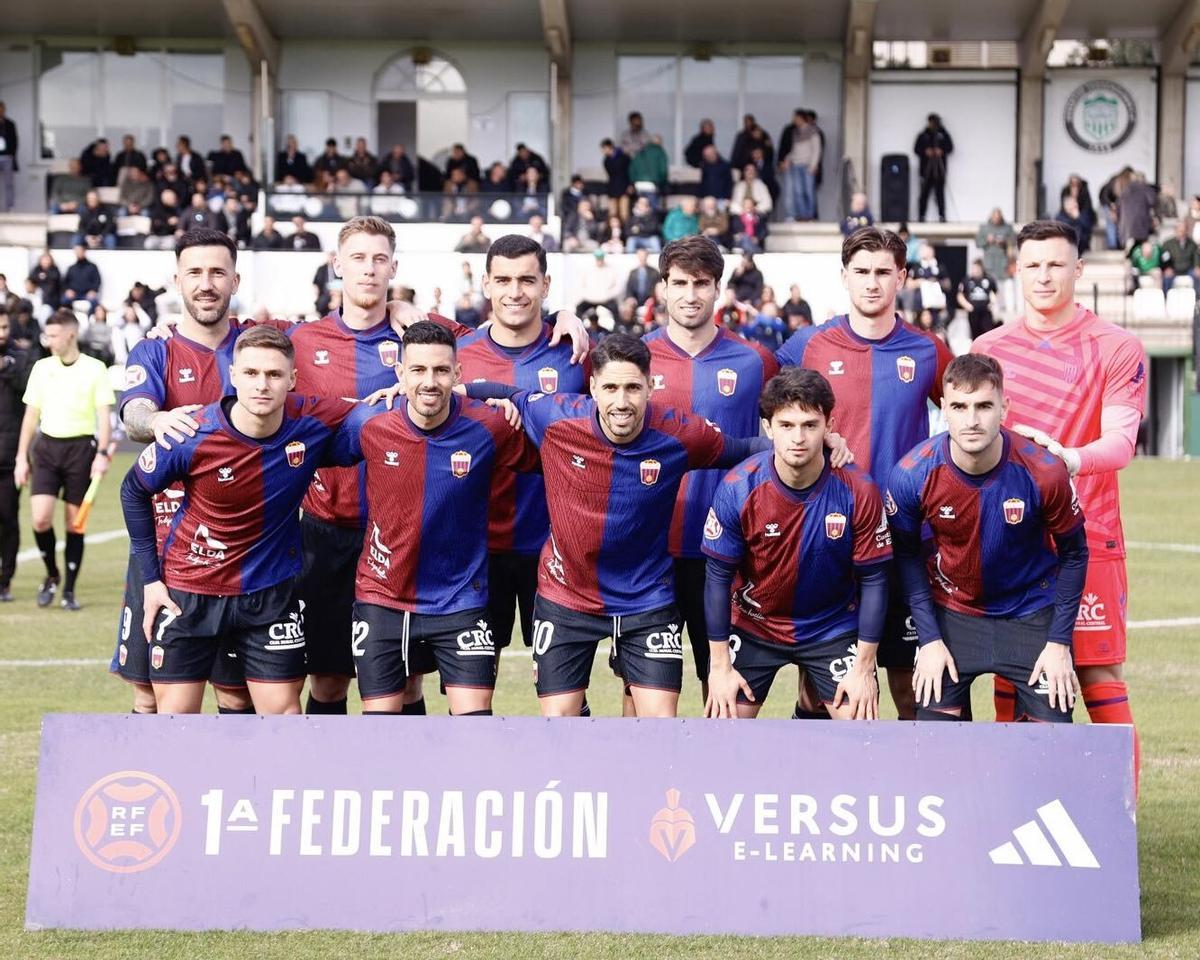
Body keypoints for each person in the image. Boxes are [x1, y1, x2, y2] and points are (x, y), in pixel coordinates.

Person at [463, 333, 771, 717]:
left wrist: (820, 443)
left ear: (650, 387)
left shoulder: (679, 432)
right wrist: (427, 392)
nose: (621, 401)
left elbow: (743, 449)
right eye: (610, 388)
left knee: (658, 726)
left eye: (632, 388)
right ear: (592, 387)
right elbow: (503, 392)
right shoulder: (556, 415)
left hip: (646, 598)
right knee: (559, 724)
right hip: (567, 595)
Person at [972, 219, 1149, 787]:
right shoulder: (988, 350)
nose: (1044, 275)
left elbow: (1121, 443)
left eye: (1056, 264)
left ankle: (1121, 821)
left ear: (1079, 269)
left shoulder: (1115, 347)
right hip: (1011, 542)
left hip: (1089, 534)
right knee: (1008, 677)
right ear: (1016, 270)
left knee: (1097, 676)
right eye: (1033, 265)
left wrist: (1067, 460)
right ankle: (1010, 811)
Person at [121, 326, 360, 715]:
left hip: (270, 594)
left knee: (284, 719)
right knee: (174, 725)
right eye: (251, 373)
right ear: (233, 376)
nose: (262, 385)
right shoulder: (192, 432)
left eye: (274, 374)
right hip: (189, 592)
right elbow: (133, 491)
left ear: (292, 379)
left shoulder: (312, 421)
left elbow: (379, 415)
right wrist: (150, 580)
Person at [777, 226, 953, 719]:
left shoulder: (928, 349)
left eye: (882, 272)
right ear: (844, 276)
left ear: (902, 277)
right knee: (820, 686)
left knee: (908, 684)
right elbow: (770, 408)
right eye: (861, 272)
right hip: (828, 533)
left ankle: (909, 771)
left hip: (905, 537)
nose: (872, 283)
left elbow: (967, 416)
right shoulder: (809, 345)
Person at [887, 353, 1088, 723]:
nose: (972, 420)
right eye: (960, 407)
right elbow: (907, 556)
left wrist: (1059, 642)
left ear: (1004, 408)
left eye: (984, 406)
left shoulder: (1045, 472)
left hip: (1032, 613)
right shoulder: (912, 475)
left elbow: (1075, 555)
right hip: (953, 613)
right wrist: (929, 639)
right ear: (944, 409)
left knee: (1053, 742)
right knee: (935, 743)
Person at [704, 367, 890, 719]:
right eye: (787, 425)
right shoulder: (738, 488)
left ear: (829, 426)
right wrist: (719, 667)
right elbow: (717, 578)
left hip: (831, 627)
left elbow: (875, 579)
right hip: (755, 624)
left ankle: (810, 718)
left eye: (810, 425)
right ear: (768, 427)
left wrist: (865, 667)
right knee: (723, 726)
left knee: (861, 725)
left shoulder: (859, 490)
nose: (798, 437)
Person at [642, 236, 781, 706]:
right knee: (642, 694)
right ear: (663, 287)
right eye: (680, 283)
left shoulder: (755, 360)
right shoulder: (635, 358)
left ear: (718, 288)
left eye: (701, 283)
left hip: (728, 551)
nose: (690, 294)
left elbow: (795, 417)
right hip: (651, 551)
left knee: (723, 690)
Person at [454, 236, 589, 669]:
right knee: (471, 688)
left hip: (555, 544)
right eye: (504, 280)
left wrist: (567, 317)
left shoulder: (576, 354)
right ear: (486, 284)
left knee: (561, 687)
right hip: (474, 549)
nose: (515, 291)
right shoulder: (457, 356)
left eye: (527, 280)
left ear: (546, 285)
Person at [13, 309, 113, 611]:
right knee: (40, 518)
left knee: (74, 524)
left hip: (81, 450)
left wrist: (102, 454)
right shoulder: (42, 368)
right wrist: (21, 457)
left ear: (71, 334)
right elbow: (30, 416)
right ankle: (52, 574)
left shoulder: (95, 368)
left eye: (54, 335)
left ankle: (69, 589)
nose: (49, 340)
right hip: (46, 449)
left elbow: (104, 417)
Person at [0, 310, 34, 600]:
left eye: (4, 327)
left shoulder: (21, 357)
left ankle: (5, 580)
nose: (1, 333)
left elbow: (29, 390)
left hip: (9, 456)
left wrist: (6, 368)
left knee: (7, 518)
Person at [778, 110, 820, 221]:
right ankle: (802, 215)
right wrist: (787, 159)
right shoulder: (795, 132)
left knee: (809, 191)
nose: (794, 120)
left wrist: (813, 165)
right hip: (796, 165)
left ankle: (810, 215)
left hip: (808, 165)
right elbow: (794, 151)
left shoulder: (813, 131)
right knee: (798, 192)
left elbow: (816, 150)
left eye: (795, 117)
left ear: (801, 118)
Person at [914, 113, 953, 222]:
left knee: (940, 194)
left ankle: (942, 216)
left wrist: (941, 151)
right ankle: (921, 216)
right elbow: (916, 149)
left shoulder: (943, 134)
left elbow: (950, 147)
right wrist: (926, 151)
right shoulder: (923, 135)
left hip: (939, 170)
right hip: (926, 169)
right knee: (924, 194)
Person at [957, 258, 999, 341]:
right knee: (975, 335)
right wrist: (967, 305)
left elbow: (996, 292)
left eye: (976, 268)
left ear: (981, 268)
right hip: (973, 312)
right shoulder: (967, 280)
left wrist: (992, 303)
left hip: (985, 312)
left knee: (987, 334)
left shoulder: (988, 279)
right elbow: (960, 295)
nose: (974, 270)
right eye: (973, 268)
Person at [976, 208, 1015, 282]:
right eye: (995, 217)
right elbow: (978, 243)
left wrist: (1004, 241)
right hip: (989, 265)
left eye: (998, 217)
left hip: (1003, 263)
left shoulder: (1007, 228)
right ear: (991, 216)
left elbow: (1014, 241)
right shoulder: (984, 228)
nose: (996, 219)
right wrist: (987, 240)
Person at [61, 245, 102, 315]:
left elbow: (97, 281)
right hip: (74, 294)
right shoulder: (71, 268)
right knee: (64, 301)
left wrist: (93, 291)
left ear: (84, 251)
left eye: (80, 251)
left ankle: (90, 319)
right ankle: (70, 318)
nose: (78, 253)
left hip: (87, 294)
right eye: (77, 251)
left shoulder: (92, 267)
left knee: (95, 302)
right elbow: (64, 282)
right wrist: (68, 290)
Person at [1160, 219, 1198, 291]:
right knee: (1166, 277)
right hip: (1174, 268)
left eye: (1184, 231)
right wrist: (1167, 267)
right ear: (1176, 231)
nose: (1182, 233)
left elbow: (1196, 256)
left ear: (1186, 231)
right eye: (1180, 231)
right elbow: (1165, 258)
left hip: (1188, 269)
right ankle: (1166, 295)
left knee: (1197, 275)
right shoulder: (1168, 244)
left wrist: (1197, 267)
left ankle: (1198, 296)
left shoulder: (1192, 244)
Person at [600, 139, 632, 223]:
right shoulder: (606, 160)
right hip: (612, 188)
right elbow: (610, 175)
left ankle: (625, 229)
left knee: (624, 212)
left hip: (624, 186)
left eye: (604, 148)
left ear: (609, 147)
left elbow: (629, 172)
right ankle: (612, 229)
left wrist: (630, 184)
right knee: (612, 212)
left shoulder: (624, 157)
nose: (603, 151)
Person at [0, 101, 16, 211]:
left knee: (9, 183)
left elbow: (15, 141)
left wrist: (12, 154)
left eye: (2, 109)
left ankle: (9, 206)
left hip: (7, 157)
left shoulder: (10, 124)